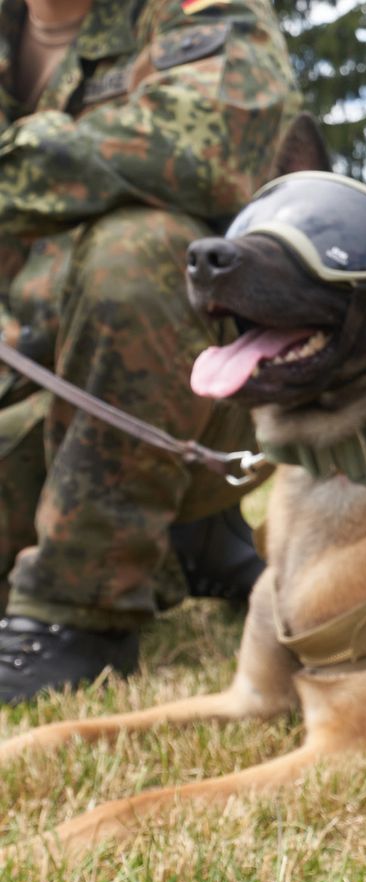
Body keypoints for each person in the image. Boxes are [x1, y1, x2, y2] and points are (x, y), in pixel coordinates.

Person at [0, 0, 297, 703]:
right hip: (27, 397)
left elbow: (205, 145)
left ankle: (78, 611)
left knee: (142, 250)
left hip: (192, 387)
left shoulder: (194, 10)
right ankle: (185, 546)